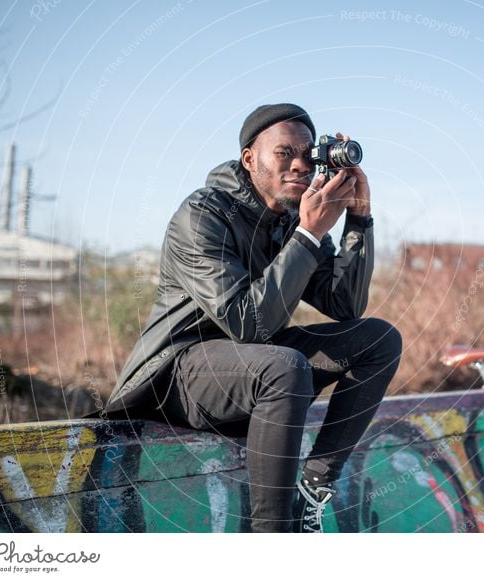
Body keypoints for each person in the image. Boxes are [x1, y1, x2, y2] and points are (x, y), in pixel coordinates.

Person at [104, 103, 402, 533]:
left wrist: (358, 218)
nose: (299, 165)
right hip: (178, 376)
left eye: (307, 155)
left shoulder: (290, 221)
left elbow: (345, 306)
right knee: (283, 366)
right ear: (250, 159)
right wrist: (309, 234)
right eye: (284, 153)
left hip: (254, 369)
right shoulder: (203, 215)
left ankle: (313, 494)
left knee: (378, 339)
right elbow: (247, 324)